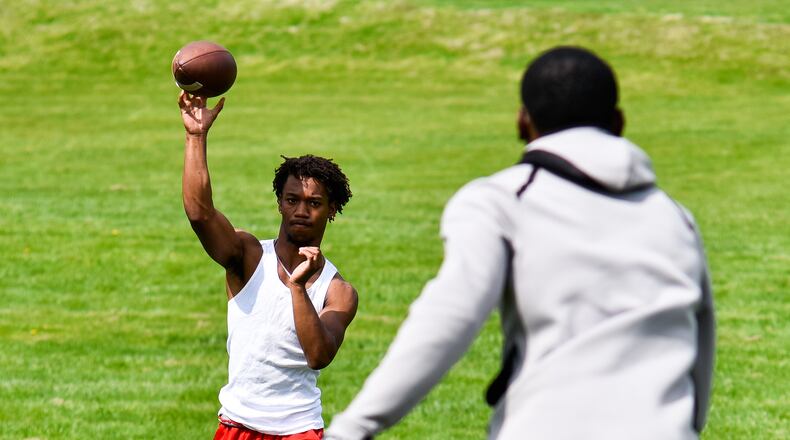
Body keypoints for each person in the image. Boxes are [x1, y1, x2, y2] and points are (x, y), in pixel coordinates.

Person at [325, 46, 715, 439]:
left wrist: (353, 428)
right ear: (618, 121)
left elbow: (449, 317)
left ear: (522, 121)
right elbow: (701, 340)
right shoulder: (676, 217)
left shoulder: (501, 202)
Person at [178, 91, 359, 440]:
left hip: (298, 430)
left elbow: (319, 354)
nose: (302, 210)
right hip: (237, 425)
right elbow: (200, 214)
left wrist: (297, 288)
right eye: (292, 200)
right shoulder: (247, 256)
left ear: (332, 209)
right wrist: (195, 136)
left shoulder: (339, 291)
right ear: (280, 203)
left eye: (314, 203)